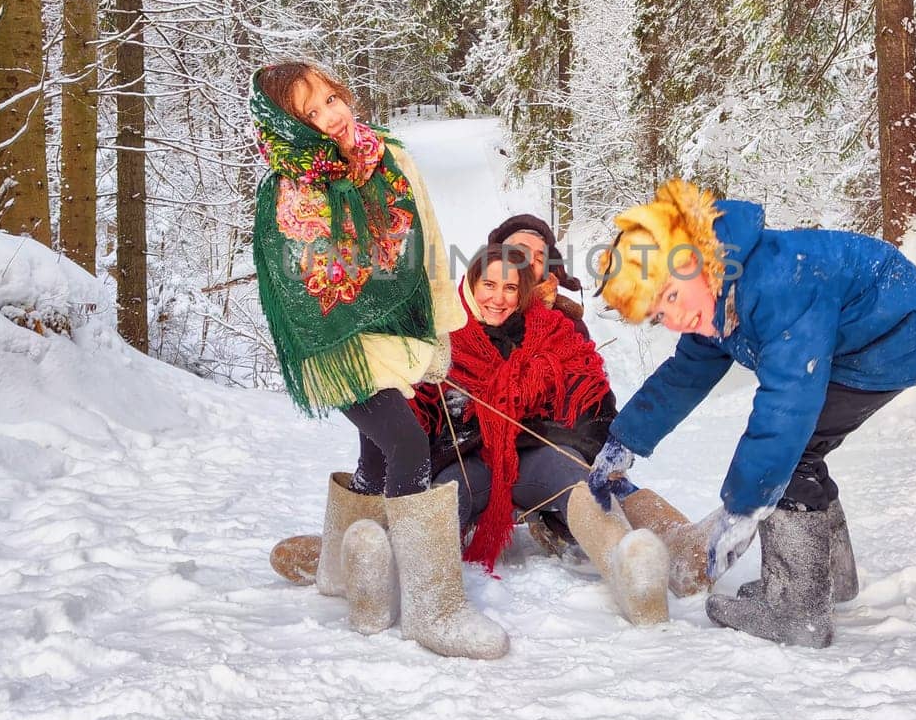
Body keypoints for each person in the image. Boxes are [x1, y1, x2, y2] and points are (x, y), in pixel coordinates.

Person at [589, 179, 916, 647]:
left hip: (893, 339)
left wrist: (743, 509)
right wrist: (625, 441)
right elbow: (685, 373)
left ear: (690, 262)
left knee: (790, 451)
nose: (674, 320)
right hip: (870, 336)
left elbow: (787, 404)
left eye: (670, 298)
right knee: (801, 449)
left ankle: (796, 611)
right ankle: (830, 581)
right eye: (659, 315)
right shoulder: (717, 291)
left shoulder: (777, 284)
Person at [251, 61, 506, 660]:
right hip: (335, 346)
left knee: (378, 449)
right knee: (409, 444)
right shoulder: (287, 194)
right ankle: (431, 604)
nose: (333, 116)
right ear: (290, 128)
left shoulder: (388, 158)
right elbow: (295, 287)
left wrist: (440, 326)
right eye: (311, 114)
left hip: (395, 333)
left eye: (333, 99)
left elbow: (429, 242)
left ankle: (345, 566)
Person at [412, 244, 671, 624]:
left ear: (524, 292)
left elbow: (591, 398)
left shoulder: (551, 331)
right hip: (470, 463)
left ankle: (630, 568)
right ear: (470, 284)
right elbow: (415, 411)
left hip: (535, 459)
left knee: (578, 480)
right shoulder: (441, 336)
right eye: (489, 285)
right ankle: (429, 595)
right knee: (446, 496)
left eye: (511, 288)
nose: (498, 298)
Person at [486, 213, 588, 336]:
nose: (531, 261)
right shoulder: (462, 313)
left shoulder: (570, 327)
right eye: (521, 251)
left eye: (540, 259)